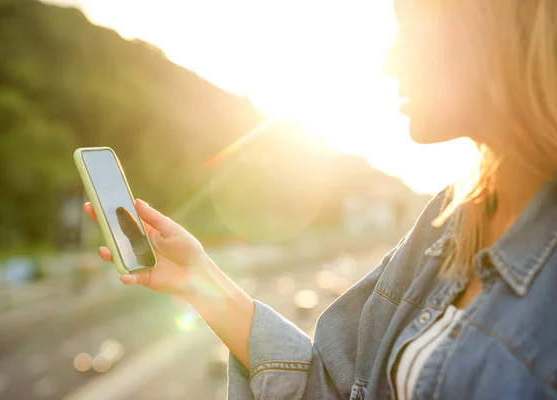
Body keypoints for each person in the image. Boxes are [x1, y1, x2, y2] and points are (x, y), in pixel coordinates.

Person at [84, 0, 557, 398]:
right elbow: (335, 389)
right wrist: (198, 278)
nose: (388, 62)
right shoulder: (448, 221)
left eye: (411, 27)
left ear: (492, 32)